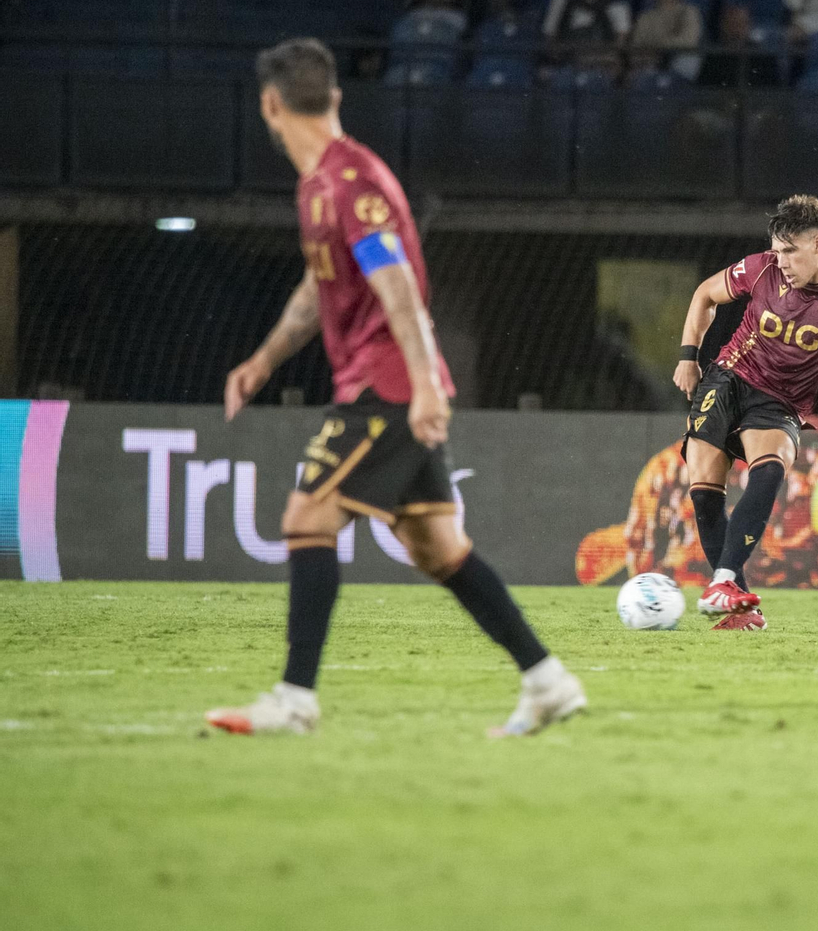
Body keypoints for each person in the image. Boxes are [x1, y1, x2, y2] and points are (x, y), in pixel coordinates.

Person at [206, 39, 585, 737]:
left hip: (386, 386)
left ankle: (294, 700)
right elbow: (319, 290)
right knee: (437, 547)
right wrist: (263, 361)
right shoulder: (319, 185)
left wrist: (423, 387)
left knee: (306, 520)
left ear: (269, 104)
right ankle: (547, 681)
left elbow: (397, 287)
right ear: (336, 98)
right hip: (387, 382)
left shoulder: (351, 182)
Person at [673, 196, 818, 629]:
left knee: (770, 468)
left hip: (783, 401)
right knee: (702, 487)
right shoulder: (762, 269)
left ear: (817, 244)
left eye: (790, 251)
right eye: (776, 251)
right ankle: (740, 605)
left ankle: (723, 583)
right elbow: (705, 295)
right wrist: (687, 356)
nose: (782, 262)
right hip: (731, 375)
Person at [630, 0, 704, 76]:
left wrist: (657, 47)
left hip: (677, 65)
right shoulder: (645, 17)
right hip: (650, 65)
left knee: (688, 58)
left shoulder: (689, 12)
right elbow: (636, 47)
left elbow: (688, 41)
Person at [698, 3, 784, 86]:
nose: (736, 31)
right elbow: (704, 91)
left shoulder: (763, 57)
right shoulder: (714, 57)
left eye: (741, 25)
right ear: (723, 27)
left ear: (749, 26)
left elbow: (775, 92)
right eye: (731, 24)